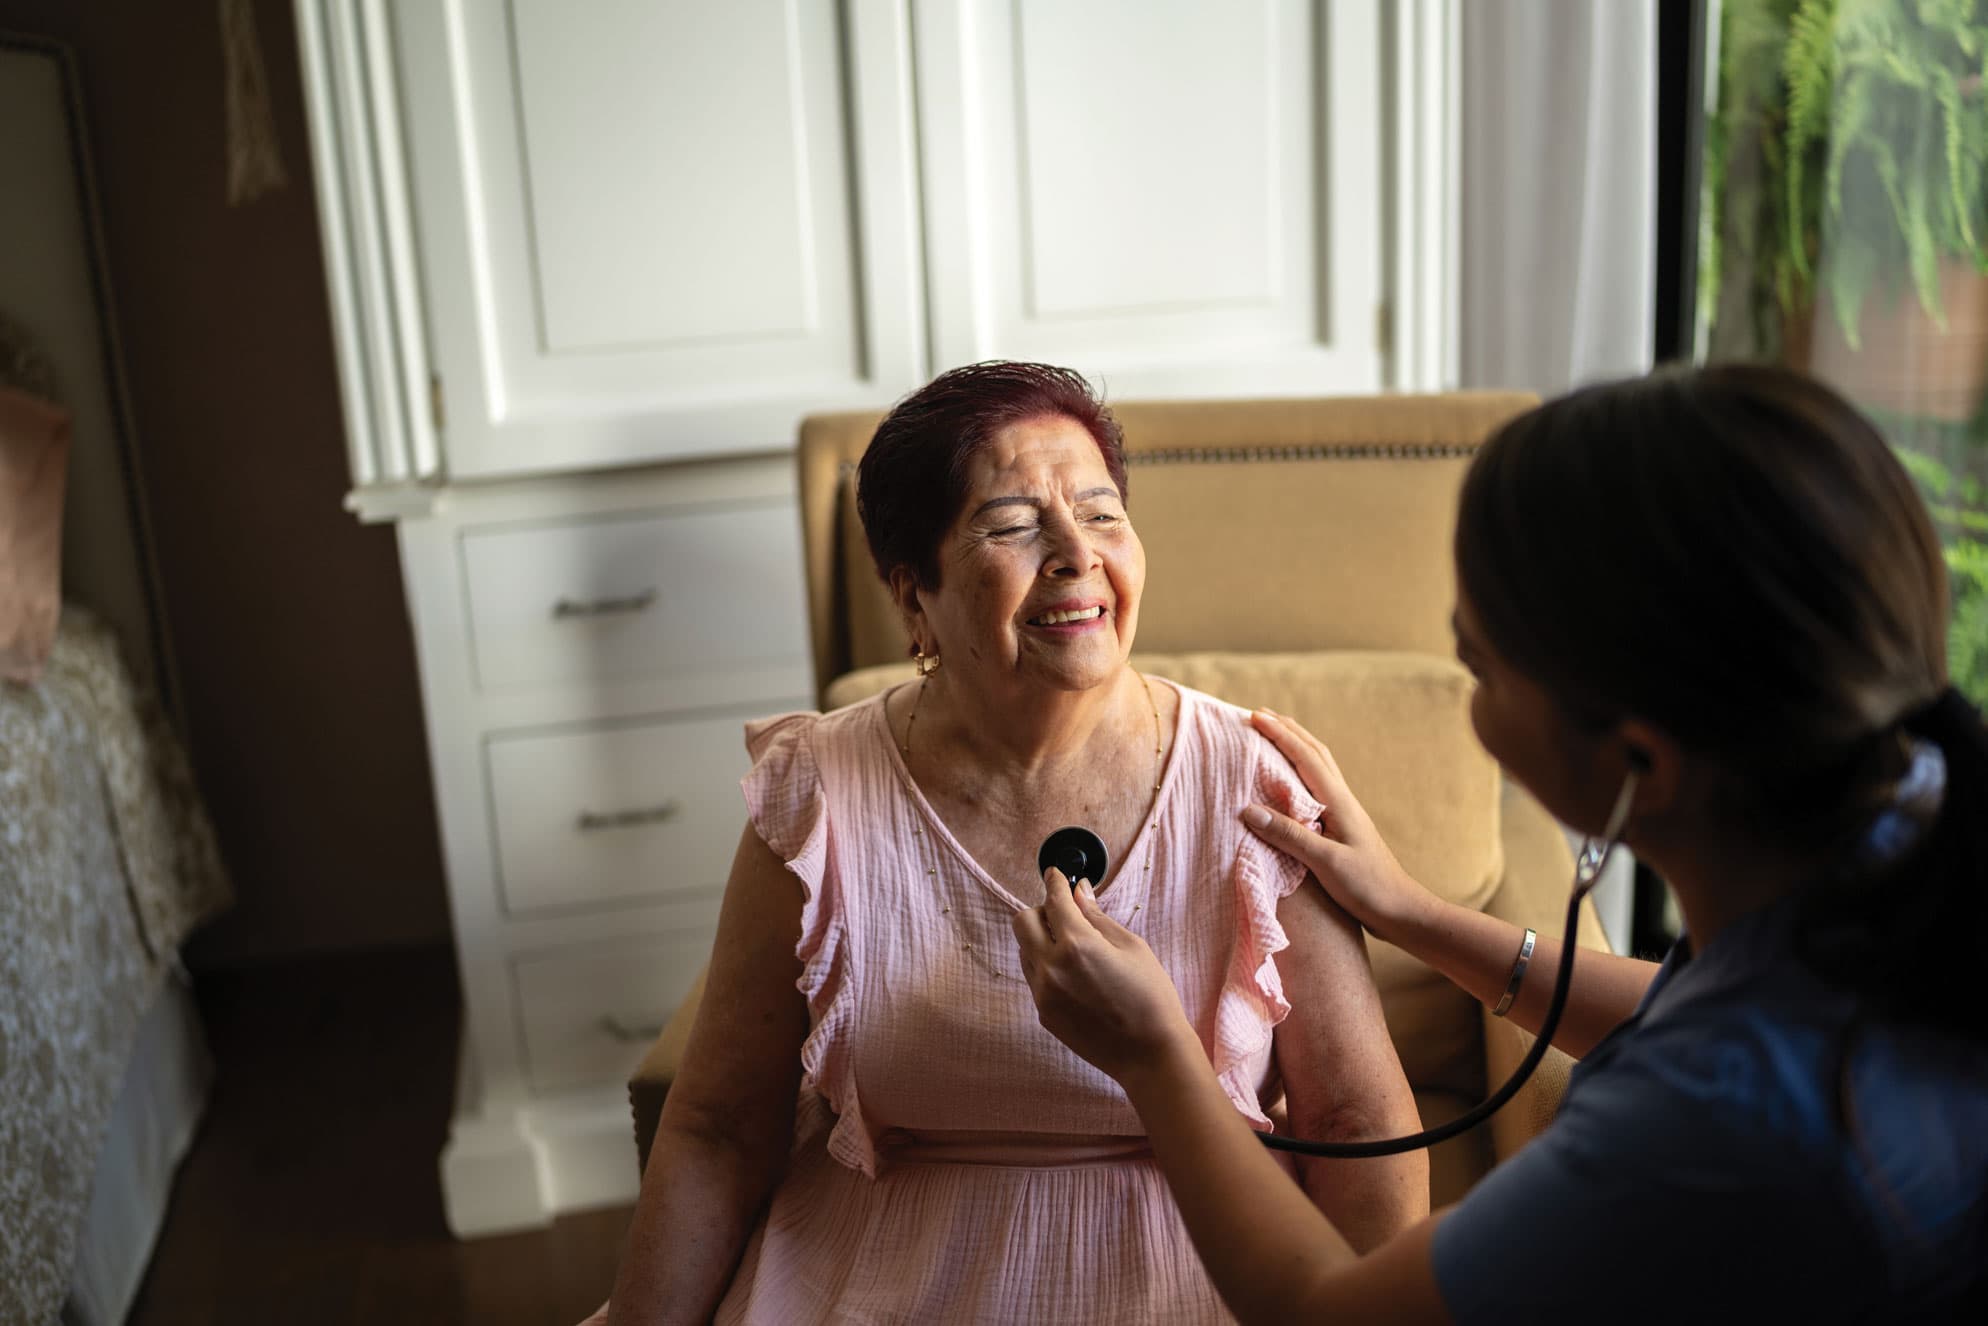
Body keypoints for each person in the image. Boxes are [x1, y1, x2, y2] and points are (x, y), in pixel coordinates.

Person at [1014, 363, 1988, 1324]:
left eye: (1476, 667)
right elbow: (1713, 1007)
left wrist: (1155, 1058)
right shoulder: (1914, 802)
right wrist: (1414, 914)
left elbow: (1327, 1313)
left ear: (1638, 767)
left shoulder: (1701, 1132)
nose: (1455, 690)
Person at [591, 362, 1427, 1326]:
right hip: (876, 1273)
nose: (1077, 554)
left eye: (1103, 513)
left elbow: (1359, 1122)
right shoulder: (820, 790)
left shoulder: (1251, 781)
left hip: (1207, 1260)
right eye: (1014, 524)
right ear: (915, 599)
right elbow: (718, 1130)